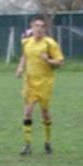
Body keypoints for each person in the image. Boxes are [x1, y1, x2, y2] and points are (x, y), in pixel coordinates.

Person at [15, 15, 64, 156]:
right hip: (29, 82)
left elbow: (60, 61)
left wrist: (48, 60)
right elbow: (24, 56)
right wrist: (20, 68)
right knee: (28, 112)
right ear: (32, 27)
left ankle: (48, 142)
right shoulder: (26, 42)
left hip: (45, 82)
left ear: (45, 29)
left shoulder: (50, 43)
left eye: (42, 26)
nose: (39, 29)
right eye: (36, 26)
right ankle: (27, 144)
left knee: (45, 113)